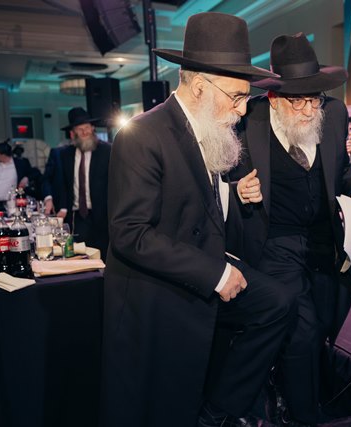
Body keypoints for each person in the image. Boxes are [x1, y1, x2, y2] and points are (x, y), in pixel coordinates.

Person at [99, 12, 296, 427]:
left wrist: (234, 193)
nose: (242, 110)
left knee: (278, 303)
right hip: (159, 289)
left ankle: (220, 409)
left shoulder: (211, 127)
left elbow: (195, 201)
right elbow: (130, 235)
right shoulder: (142, 134)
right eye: (237, 96)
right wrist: (215, 273)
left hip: (204, 264)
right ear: (201, 87)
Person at [230, 32, 351, 426]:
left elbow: (342, 170)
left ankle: (285, 384)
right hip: (275, 240)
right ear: (275, 98)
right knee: (303, 328)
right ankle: (303, 415)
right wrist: (239, 189)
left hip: (325, 240)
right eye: (299, 101)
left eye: (315, 99)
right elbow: (222, 172)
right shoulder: (250, 118)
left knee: (326, 317)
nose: (310, 110)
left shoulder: (334, 114)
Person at [42, 107, 110, 258]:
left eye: (87, 127)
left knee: (104, 256)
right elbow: (61, 184)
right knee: (80, 257)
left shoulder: (107, 151)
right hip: (78, 217)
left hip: (103, 215)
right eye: (80, 129)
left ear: (93, 128)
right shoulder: (65, 154)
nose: (85, 132)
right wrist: (57, 203)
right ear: (73, 133)